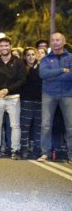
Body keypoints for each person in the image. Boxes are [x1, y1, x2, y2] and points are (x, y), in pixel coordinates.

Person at [0, 36, 26, 160]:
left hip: (13, 97)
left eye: (6, 46)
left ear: (10, 46)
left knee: (15, 125)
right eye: (2, 46)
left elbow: (22, 79)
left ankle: (15, 150)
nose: (4, 48)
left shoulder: (18, 62)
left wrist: (8, 90)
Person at [38, 32, 72, 164]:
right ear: (50, 43)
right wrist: (62, 70)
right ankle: (44, 153)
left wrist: (53, 76)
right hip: (49, 94)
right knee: (45, 125)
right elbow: (43, 74)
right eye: (53, 40)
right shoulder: (45, 59)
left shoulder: (70, 57)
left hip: (68, 94)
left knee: (70, 127)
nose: (55, 42)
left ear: (63, 42)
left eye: (58, 40)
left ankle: (71, 155)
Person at [19, 47, 42, 159]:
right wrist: (34, 68)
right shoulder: (23, 68)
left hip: (40, 101)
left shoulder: (41, 67)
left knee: (38, 127)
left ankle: (37, 150)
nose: (31, 57)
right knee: (25, 127)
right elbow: (32, 78)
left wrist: (37, 67)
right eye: (28, 55)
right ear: (24, 57)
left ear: (36, 55)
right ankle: (24, 149)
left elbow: (41, 79)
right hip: (27, 101)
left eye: (33, 54)